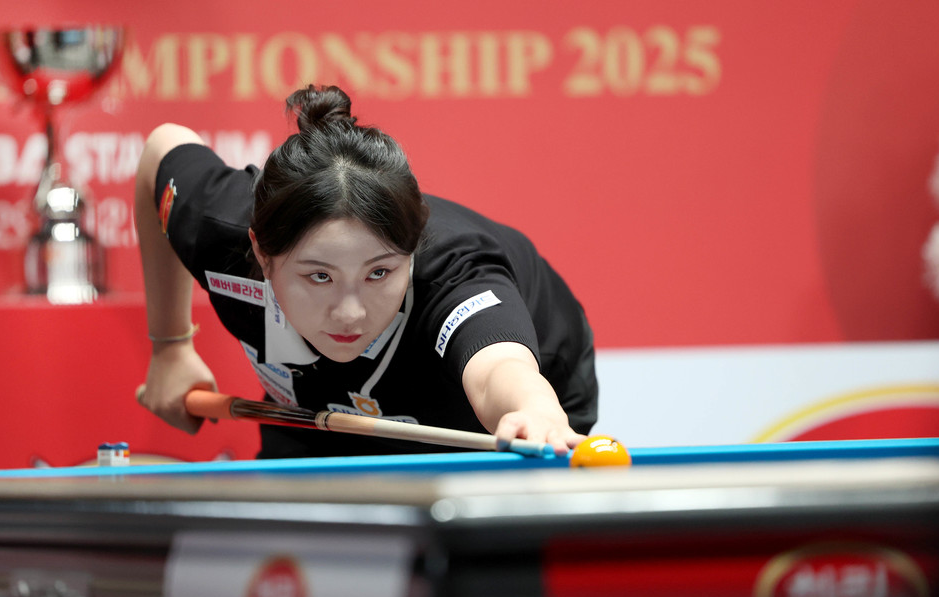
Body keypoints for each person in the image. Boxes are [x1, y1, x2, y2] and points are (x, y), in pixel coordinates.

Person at [134, 84, 598, 458]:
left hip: (484, 417)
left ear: (411, 250)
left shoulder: (453, 275)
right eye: (319, 277)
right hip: (312, 409)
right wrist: (170, 347)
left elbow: (498, 367)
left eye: (379, 273)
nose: (350, 313)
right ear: (262, 252)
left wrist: (534, 407)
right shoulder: (224, 232)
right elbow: (162, 146)